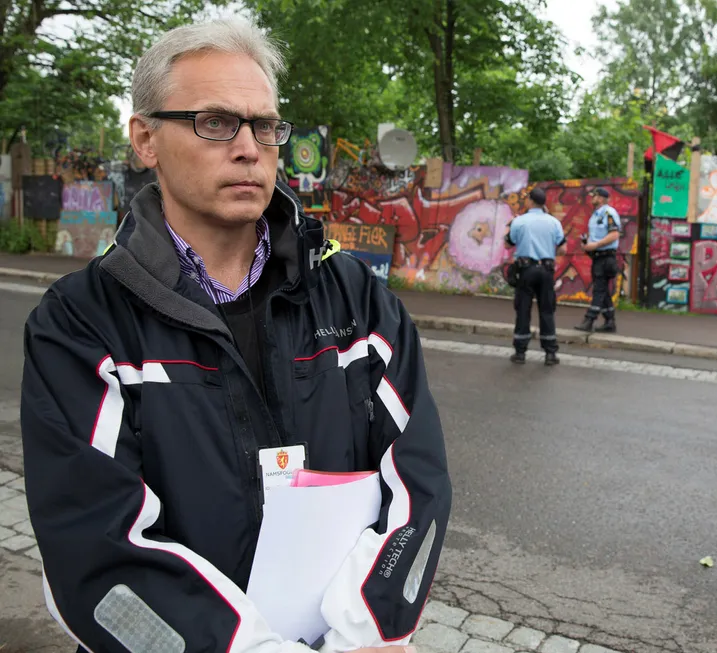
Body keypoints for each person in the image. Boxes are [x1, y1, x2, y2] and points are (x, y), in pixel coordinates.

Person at [19, 20, 450, 653]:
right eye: (215, 123)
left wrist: (364, 633)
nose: (250, 148)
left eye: (266, 126)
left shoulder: (357, 300)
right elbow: (97, 554)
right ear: (146, 139)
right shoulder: (80, 324)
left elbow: (420, 485)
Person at [505, 187, 567, 365]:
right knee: (547, 310)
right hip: (546, 270)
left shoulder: (520, 221)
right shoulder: (554, 222)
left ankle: (520, 352)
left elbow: (508, 244)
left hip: (526, 270)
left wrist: (510, 227)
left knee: (523, 309)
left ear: (531, 201)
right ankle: (550, 353)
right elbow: (563, 248)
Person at [574, 188, 622, 333]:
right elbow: (596, 236)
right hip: (597, 257)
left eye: (594, 196)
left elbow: (614, 234)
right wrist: (587, 244)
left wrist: (595, 245)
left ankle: (589, 320)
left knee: (599, 289)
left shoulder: (609, 213)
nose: (591, 198)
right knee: (603, 291)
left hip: (606, 257)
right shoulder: (594, 215)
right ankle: (609, 321)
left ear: (601, 198)